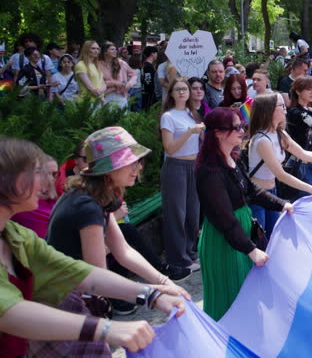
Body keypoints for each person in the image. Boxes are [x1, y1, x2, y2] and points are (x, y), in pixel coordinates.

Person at [0, 138, 187, 356]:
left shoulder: (15, 234)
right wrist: (106, 328)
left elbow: (78, 271)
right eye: (36, 172)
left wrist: (152, 294)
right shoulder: (86, 205)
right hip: (63, 313)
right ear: (10, 180)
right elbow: (9, 311)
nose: (45, 183)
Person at [195, 108, 294, 320]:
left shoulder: (233, 158)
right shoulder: (209, 171)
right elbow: (224, 219)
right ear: (219, 133)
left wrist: (282, 205)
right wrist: (251, 250)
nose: (243, 131)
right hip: (224, 241)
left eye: (242, 125)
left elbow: (252, 191)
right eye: (236, 127)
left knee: (245, 295)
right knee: (230, 300)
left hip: (239, 233)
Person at [248, 93, 312, 234]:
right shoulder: (262, 140)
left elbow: (304, 154)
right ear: (269, 110)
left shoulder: (280, 134)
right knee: (261, 240)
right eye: (281, 106)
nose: (285, 108)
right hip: (257, 197)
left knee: (273, 236)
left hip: (272, 193)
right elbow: (281, 175)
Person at [159, 78, 205, 281]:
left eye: (184, 89)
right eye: (177, 89)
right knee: (176, 213)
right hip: (175, 167)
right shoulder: (168, 117)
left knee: (192, 213)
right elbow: (169, 148)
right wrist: (189, 132)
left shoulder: (191, 114)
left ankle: (190, 253)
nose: (181, 92)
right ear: (171, 93)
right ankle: (178, 258)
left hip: (193, 166)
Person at [98, 41, 135, 109]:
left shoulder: (121, 63)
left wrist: (129, 84)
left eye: (115, 49)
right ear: (105, 52)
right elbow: (96, 81)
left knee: (122, 118)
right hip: (105, 96)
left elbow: (133, 75)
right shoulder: (98, 64)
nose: (115, 51)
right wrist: (112, 83)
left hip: (120, 96)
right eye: (112, 49)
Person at [140, 46, 158, 111]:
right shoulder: (148, 66)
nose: (157, 55)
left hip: (146, 92)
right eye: (156, 53)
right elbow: (148, 81)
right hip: (148, 94)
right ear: (152, 54)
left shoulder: (145, 64)